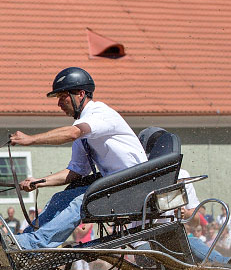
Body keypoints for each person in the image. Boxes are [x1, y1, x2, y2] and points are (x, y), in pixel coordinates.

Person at [9, 67, 148, 249]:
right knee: (60, 198)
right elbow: (75, 172)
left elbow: (73, 133)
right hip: (114, 186)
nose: (59, 104)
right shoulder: (83, 130)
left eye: (63, 97)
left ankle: (34, 244)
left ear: (81, 94)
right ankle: (21, 242)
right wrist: (39, 182)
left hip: (134, 185)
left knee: (81, 201)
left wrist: (31, 139)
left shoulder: (100, 114)